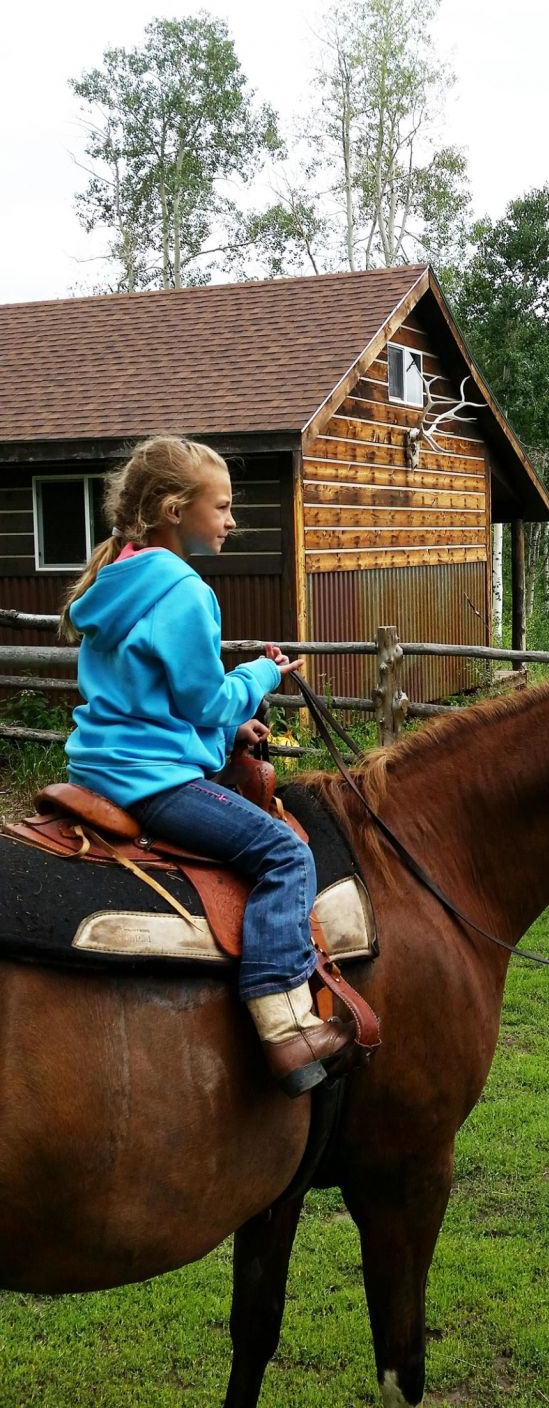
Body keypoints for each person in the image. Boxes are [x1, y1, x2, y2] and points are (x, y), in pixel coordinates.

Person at [61, 433, 354, 1097]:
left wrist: (229, 722)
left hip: (101, 770)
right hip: (157, 783)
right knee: (285, 855)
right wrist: (258, 676)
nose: (231, 521)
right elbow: (202, 697)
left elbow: (162, 702)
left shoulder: (117, 577)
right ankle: (284, 1020)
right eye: (221, 507)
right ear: (172, 509)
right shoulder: (184, 591)